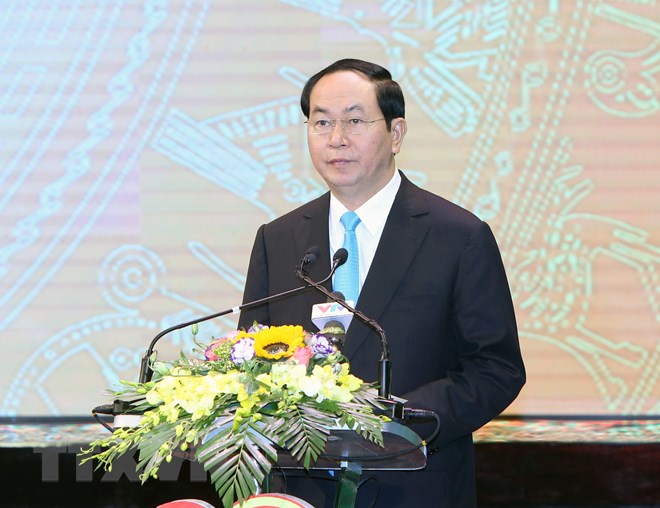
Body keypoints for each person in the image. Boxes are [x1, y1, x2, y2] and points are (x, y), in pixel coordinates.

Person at [238, 58, 525, 508]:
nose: (336, 138)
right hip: (301, 490)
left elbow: (495, 369)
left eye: (355, 121)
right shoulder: (278, 239)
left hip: (416, 487)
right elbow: (250, 357)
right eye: (322, 122)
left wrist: (392, 422)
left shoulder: (458, 236)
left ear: (396, 134)